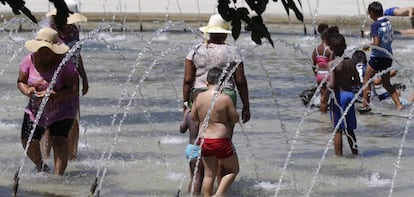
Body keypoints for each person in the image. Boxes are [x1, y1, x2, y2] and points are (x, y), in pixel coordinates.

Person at [17, 27, 79, 175]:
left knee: (58, 141)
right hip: (36, 108)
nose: (43, 54)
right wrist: (28, 91)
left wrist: (55, 94)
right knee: (28, 140)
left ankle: (58, 178)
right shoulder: (28, 60)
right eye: (40, 50)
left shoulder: (65, 64)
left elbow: (74, 89)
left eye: (47, 51)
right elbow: (21, 81)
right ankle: (41, 166)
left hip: (63, 108)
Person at [183, 14, 250, 124]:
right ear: (225, 34)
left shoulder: (196, 50)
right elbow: (240, 81)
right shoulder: (232, 51)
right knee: (224, 132)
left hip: (199, 93)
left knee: (197, 132)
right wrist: (246, 105)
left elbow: (188, 80)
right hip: (225, 93)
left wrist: (185, 103)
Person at [41, 6, 88, 161]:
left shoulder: (74, 30)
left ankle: (72, 155)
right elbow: (42, 56)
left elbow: (77, 54)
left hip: (72, 78)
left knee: (73, 117)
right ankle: (47, 155)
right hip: (53, 78)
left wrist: (84, 76)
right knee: (50, 117)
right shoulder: (49, 32)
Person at [191, 67, 240, 196]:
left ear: (206, 83)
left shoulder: (198, 97)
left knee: (209, 174)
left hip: (204, 139)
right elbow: (235, 119)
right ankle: (218, 194)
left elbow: (194, 117)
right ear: (223, 83)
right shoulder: (225, 99)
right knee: (233, 170)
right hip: (221, 140)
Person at [360, 1, 404, 112]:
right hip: (388, 56)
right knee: (386, 83)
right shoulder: (387, 22)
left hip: (377, 58)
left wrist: (367, 47)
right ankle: (399, 105)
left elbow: (376, 43)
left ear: (372, 13)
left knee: (366, 81)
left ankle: (365, 106)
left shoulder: (375, 25)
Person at [328, 33, 359, 156]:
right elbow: (357, 80)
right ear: (345, 46)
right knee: (350, 129)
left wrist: (326, 84)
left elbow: (332, 84)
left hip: (338, 97)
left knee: (338, 130)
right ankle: (355, 152)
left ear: (331, 48)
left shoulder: (333, 64)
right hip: (350, 96)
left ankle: (338, 157)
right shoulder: (351, 62)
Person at [179, 100, 203, 195]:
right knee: (199, 177)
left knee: (193, 176)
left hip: (190, 148)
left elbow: (182, 129)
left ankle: (191, 193)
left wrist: (185, 115)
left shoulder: (189, 115)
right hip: (199, 149)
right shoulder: (202, 115)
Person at [311, 23, 334, 113]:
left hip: (319, 74)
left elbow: (313, 65)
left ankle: (322, 115)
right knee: (328, 97)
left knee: (322, 97)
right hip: (328, 75)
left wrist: (316, 74)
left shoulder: (316, 49)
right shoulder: (329, 50)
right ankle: (326, 116)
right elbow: (332, 65)